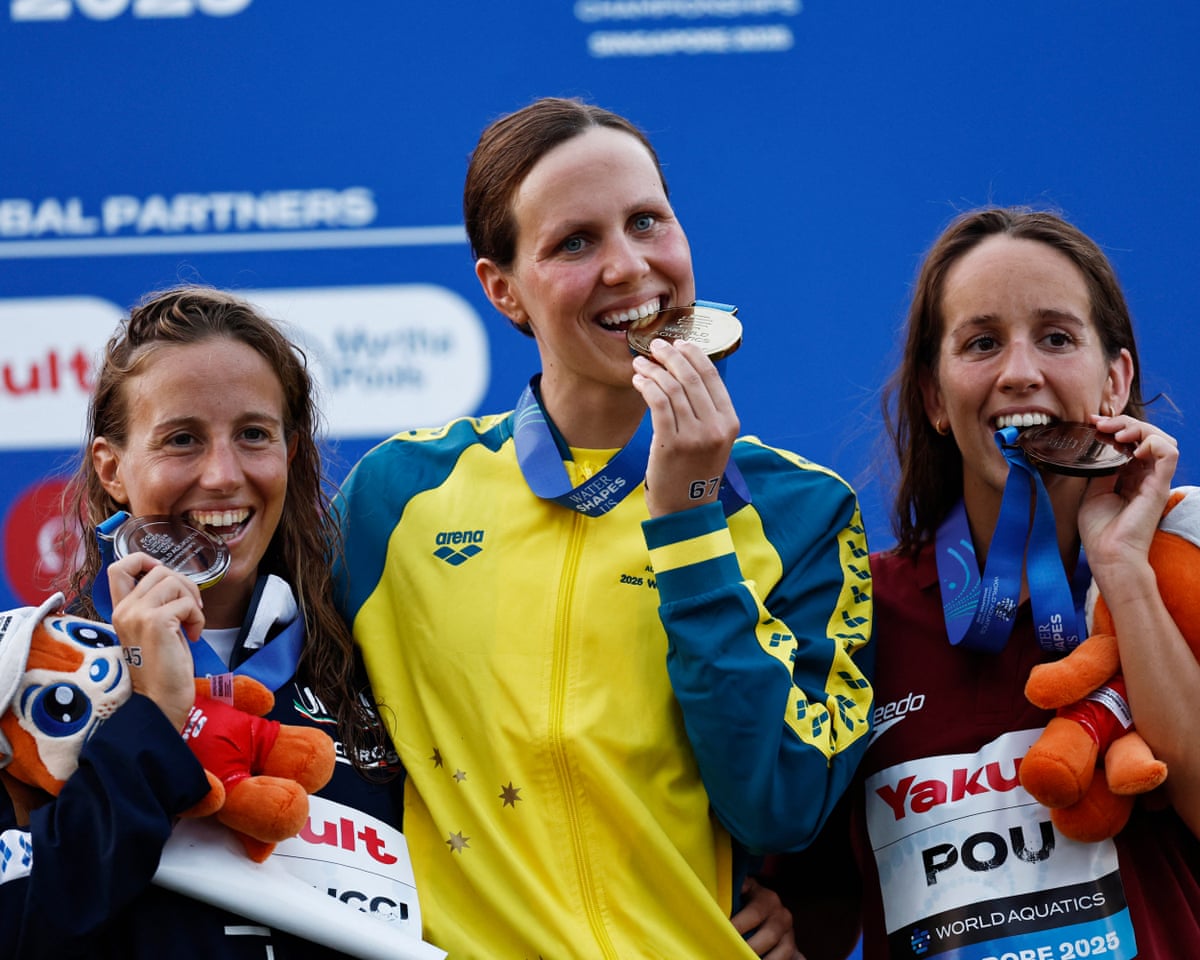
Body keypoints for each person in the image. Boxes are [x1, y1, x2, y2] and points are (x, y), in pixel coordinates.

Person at [333, 96, 874, 959]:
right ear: (502, 288)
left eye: (647, 222)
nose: (628, 268)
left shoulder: (799, 510)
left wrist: (691, 520)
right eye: (574, 242)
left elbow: (783, 802)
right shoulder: (396, 500)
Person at [789, 207, 1200, 960]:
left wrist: (1123, 574)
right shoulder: (858, 613)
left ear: (1115, 380)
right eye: (981, 343)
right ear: (935, 399)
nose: (1019, 372)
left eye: (1056, 337)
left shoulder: (1185, 573)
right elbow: (806, 897)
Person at [0, 286, 406, 958]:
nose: (223, 474)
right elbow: (21, 932)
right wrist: (151, 720)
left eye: (253, 434)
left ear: (292, 454)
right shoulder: (26, 678)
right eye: (182, 439)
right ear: (114, 468)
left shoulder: (370, 664)